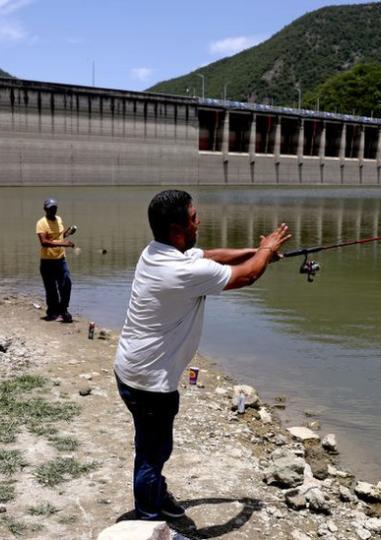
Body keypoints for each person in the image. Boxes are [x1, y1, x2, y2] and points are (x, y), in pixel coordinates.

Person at [113, 189, 291, 520]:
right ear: (177, 229)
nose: (199, 221)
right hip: (150, 383)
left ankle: (155, 495)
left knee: (151, 445)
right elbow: (248, 275)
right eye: (194, 217)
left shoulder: (155, 252)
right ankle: (149, 517)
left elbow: (208, 255)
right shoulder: (182, 273)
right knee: (153, 452)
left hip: (130, 370)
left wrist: (256, 251)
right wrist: (263, 254)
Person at [36, 197, 76, 323]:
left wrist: (67, 233)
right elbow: (44, 242)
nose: (52, 211)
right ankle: (52, 312)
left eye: (54, 208)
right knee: (51, 289)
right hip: (47, 261)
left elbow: (59, 235)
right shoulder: (41, 223)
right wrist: (64, 244)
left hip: (60, 259)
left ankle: (63, 309)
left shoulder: (59, 219)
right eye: (50, 209)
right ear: (45, 209)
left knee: (66, 284)